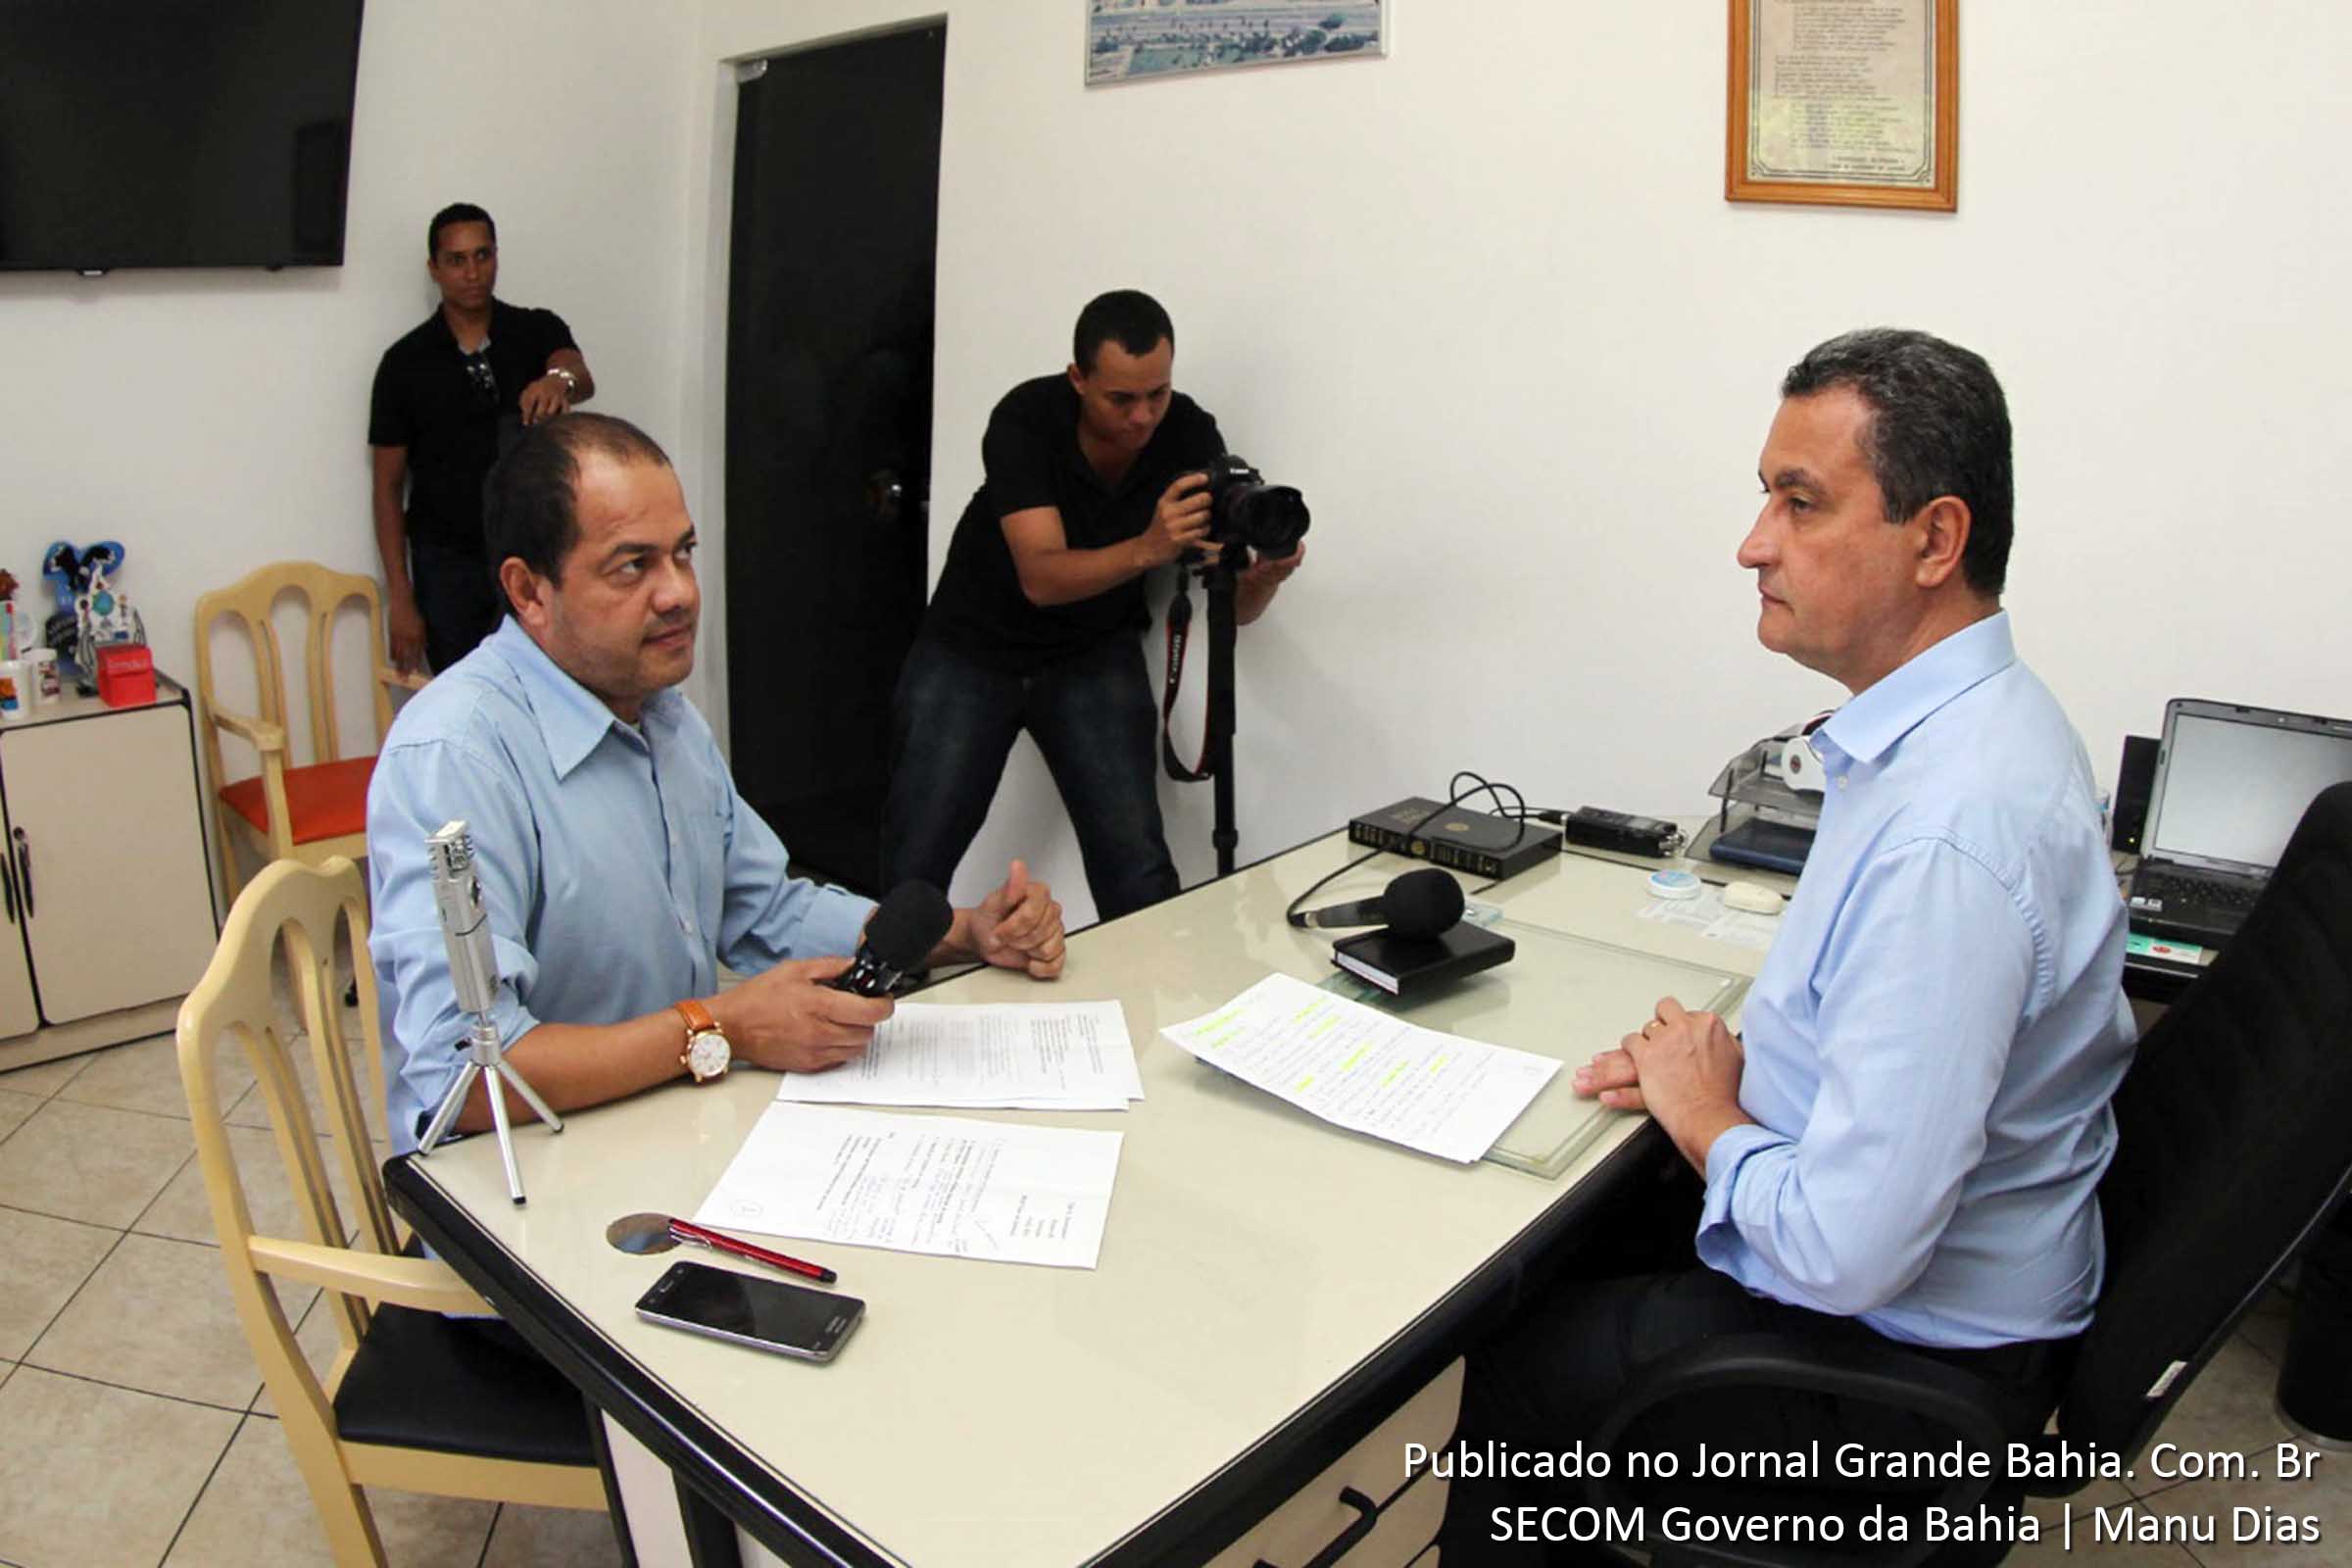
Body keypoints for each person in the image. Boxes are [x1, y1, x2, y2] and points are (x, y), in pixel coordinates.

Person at [1438, 329, 2136, 1560]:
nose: (1753, 542)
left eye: (1799, 502)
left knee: (1521, 1358)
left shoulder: (1951, 841)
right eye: (1765, 494)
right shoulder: (1969, 723)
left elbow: (1847, 1249)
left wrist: (1708, 1114)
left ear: (1935, 540)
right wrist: (1720, 1073)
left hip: (1907, 1379)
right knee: (1575, 1233)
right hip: (1943, 1288)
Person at [367, 413, 1066, 1152]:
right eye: (633, 566)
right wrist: (718, 1027)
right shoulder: (456, 756)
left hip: (668, 1127)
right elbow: (467, 1077)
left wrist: (965, 934)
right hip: (527, 1182)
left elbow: (765, 910)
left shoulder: (663, 716)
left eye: (683, 554)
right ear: (529, 591)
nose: (679, 594)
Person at [884, 289, 1304, 922]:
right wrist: (1148, 547)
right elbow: (1041, 577)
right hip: (970, 652)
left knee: (1137, 869)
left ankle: (1144, 1011)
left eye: (1156, 394)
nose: (1142, 418)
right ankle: (878, 1005)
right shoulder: (1026, 418)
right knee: (915, 863)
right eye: (1121, 398)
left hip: (1092, 656)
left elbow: (1234, 612)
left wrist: (1264, 576)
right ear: (1079, 378)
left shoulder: (1190, 434)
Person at [368, 203, 597, 674]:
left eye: (482, 255)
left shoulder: (535, 330)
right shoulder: (405, 363)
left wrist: (557, 381)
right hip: (448, 566)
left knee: (549, 689)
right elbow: (387, 486)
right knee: (468, 696)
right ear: (435, 269)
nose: (472, 273)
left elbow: (577, 372)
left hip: (534, 554)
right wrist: (402, 598)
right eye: (456, 260)